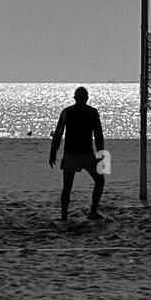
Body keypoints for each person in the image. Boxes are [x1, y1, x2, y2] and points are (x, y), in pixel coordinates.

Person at [49, 86, 106, 221]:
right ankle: (87, 211)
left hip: (81, 154)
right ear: (84, 98)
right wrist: (101, 154)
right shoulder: (79, 112)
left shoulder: (73, 112)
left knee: (71, 186)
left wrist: (53, 152)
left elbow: (58, 134)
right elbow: (99, 136)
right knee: (71, 186)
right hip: (77, 154)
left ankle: (67, 215)